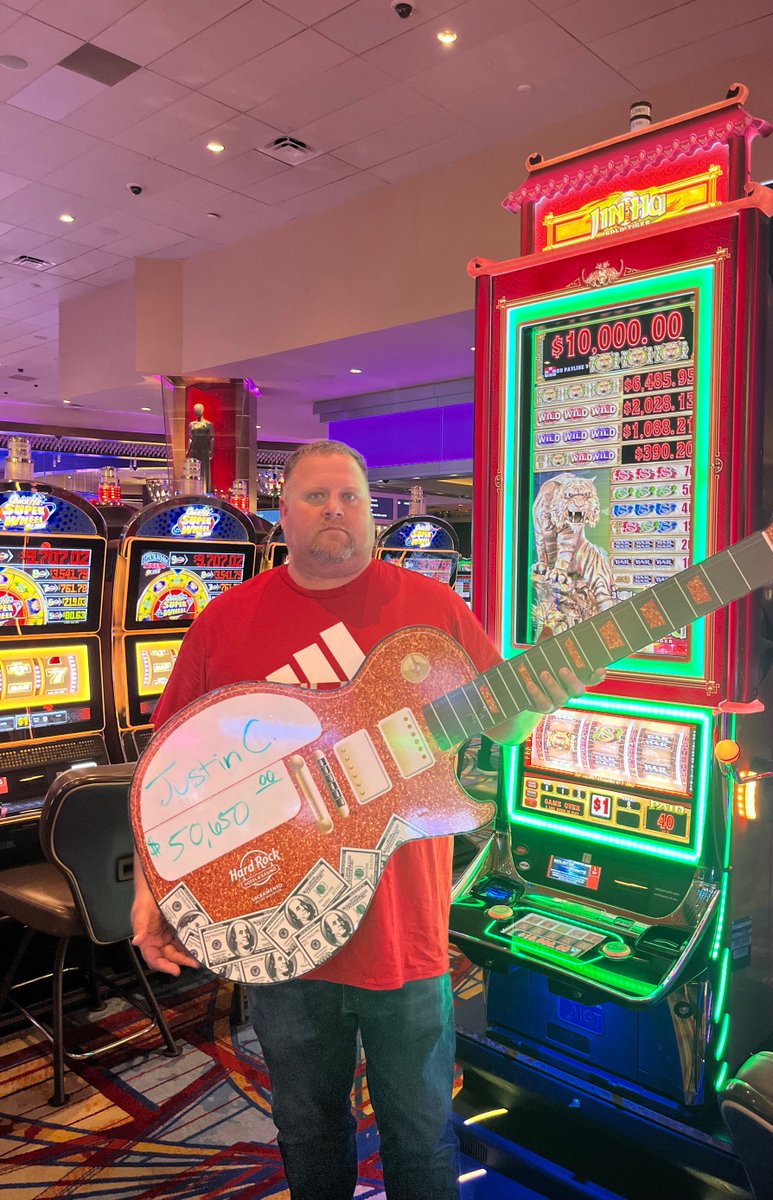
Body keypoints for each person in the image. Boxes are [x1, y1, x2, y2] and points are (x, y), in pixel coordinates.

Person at [131, 440, 594, 1200]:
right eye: (316, 496)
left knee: (421, 1135)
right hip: (279, 928)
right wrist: (152, 888)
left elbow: (506, 723)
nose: (336, 510)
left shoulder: (432, 607)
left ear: (371, 512)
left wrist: (546, 690)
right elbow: (170, 774)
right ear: (283, 514)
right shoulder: (225, 621)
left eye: (351, 496)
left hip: (403, 932)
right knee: (308, 1130)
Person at [186, 401, 215, 492]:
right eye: (195, 410)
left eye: (198, 410)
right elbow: (190, 438)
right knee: (194, 468)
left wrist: (211, 450)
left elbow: (212, 438)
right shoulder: (192, 424)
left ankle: (205, 489)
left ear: (202, 411)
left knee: (204, 468)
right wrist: (187, 450)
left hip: (204, 448)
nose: (197, 412)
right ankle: (193, 489)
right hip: (194, 448)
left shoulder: (208, 424)